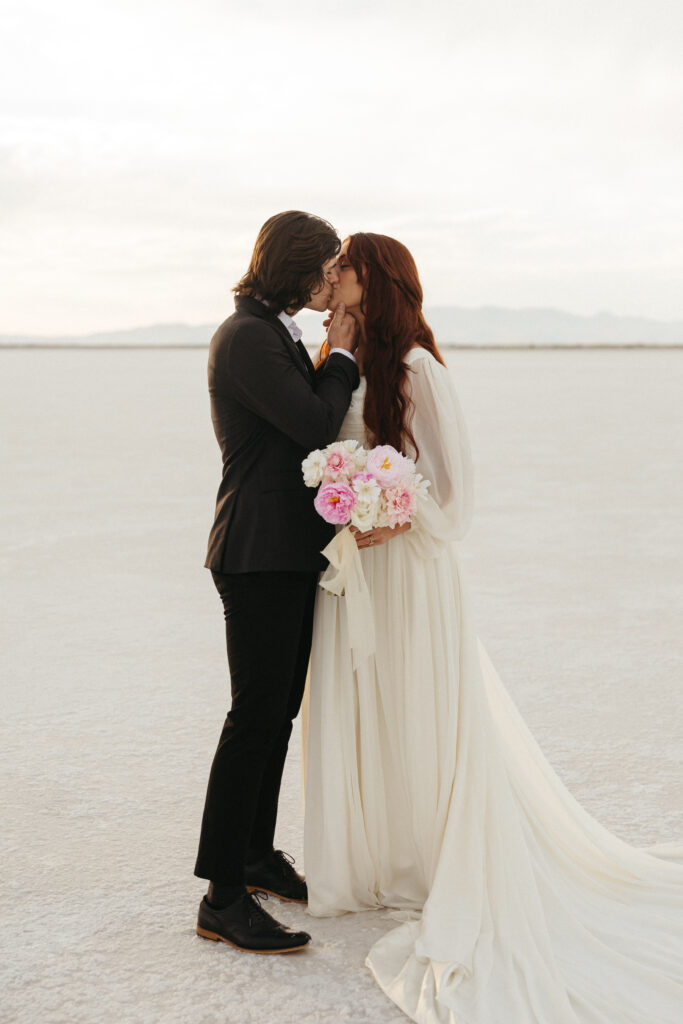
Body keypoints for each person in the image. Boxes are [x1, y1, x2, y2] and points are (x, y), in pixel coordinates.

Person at [303, 232, 683, 1021]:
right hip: (357, 572)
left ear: (373, 281)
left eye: (343, 264)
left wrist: (390, 517)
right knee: (366, 708)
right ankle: (385, 857)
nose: (331, 273)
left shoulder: (416, 369)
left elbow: (456, 492)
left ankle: (432, 860)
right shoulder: (341, 361)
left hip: (410, 573)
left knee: (419, 710)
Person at [194, 211, 359, 954]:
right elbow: (314, 424)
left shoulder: (271, 330)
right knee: (254, 716)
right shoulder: (247, 338)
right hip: (255, 553)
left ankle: (255, 856)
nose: (331, 280)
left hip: (287, 553)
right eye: (325, 267)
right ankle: (223, 895)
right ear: (296, 264)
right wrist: (343, 353)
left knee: (277, 714)